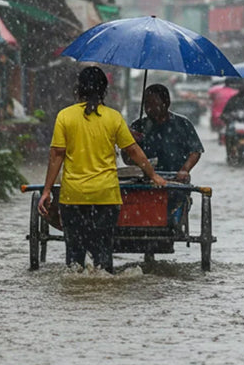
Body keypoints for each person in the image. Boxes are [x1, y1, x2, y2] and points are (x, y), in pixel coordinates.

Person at [38, 67, 166, 273]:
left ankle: (76, 296)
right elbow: (133, 150)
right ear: (104, 90)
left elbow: (56, 156)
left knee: (74, 258)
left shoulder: (65, 117)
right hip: (106, 197)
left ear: (78, 89)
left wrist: (46, 191)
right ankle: (104, 291)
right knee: (104, 255)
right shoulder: (113, 118)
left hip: (74, 196)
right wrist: (152, 175)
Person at [128, 84, 204, 182]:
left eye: (154, 103)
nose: (149, 108)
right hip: (144, 181)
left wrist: (184, 170)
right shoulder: (138, 126)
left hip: (175, 179)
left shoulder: (182, 124)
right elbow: (128, 158)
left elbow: (195, 151)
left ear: (166, 103)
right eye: (146, 104)